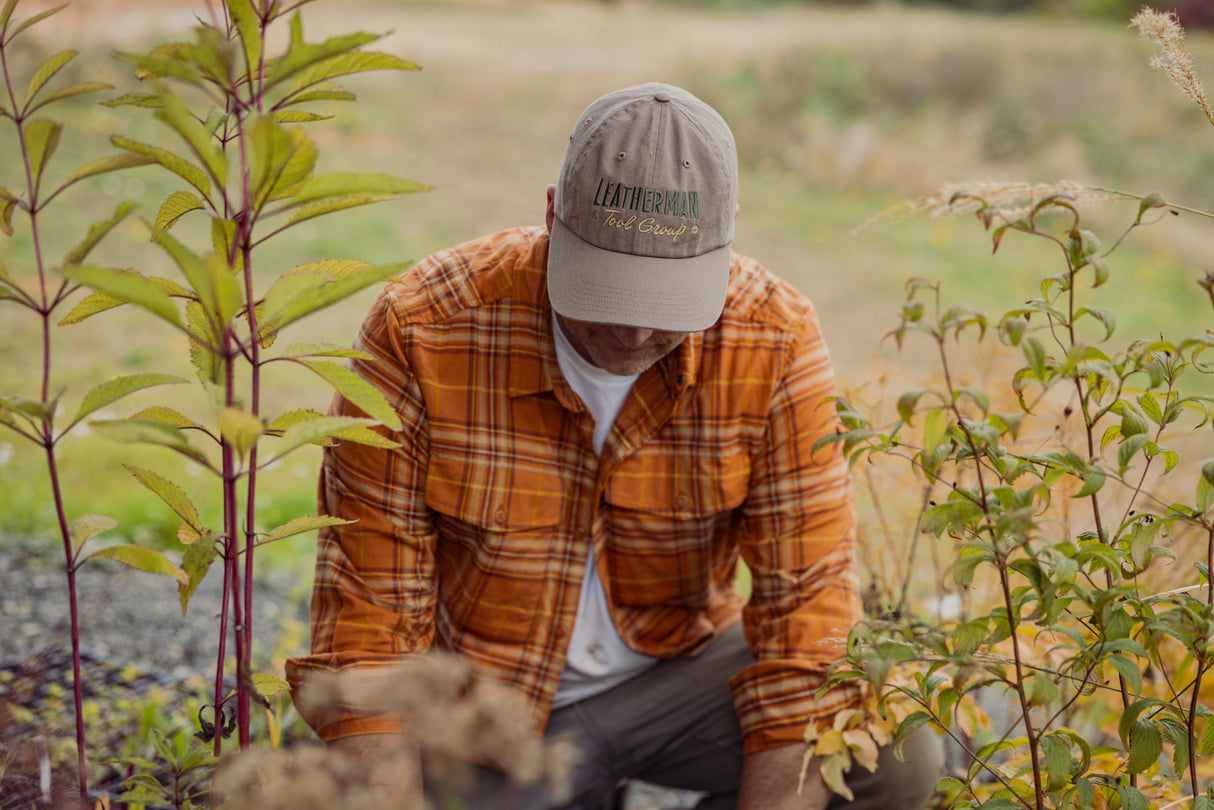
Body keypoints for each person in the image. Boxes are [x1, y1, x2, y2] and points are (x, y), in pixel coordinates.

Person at [285, 82, 942, 809]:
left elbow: (808, 613)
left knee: (896, 748)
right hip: (482, 707)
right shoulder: (422, 328)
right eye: (606, 290)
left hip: (678, 676)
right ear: (551, 217)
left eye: (663, 302)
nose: (632, 334)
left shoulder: (774, 338)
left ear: (723, 250)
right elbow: (369, 626)